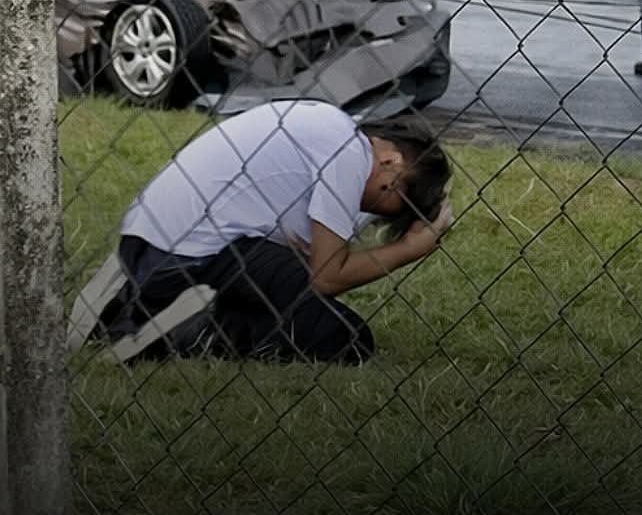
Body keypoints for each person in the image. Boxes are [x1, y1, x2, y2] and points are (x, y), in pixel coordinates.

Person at [67, 100, 454, 366]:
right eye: (392, 199)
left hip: (149, 240)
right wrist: (409, 248)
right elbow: (328, 275)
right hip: (201, 255)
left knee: (296, 297)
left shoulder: (322, 124)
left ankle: (127, 307)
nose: (372, 211)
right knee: (347, 338)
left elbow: (305, 264)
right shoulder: (350, 153)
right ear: (390, 161)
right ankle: (190, 331)